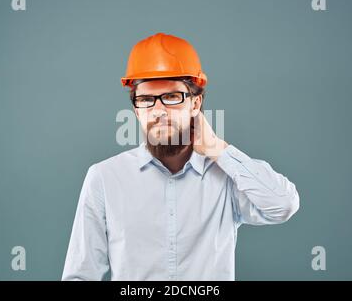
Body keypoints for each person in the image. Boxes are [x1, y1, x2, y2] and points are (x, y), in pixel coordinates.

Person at [62, 32, 300, 281]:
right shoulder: (104, 177)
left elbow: (282, 205)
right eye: (146, 99)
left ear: (195, 104)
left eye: (172, 97)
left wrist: (218, 148)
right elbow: (81, 275)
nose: (158, 111)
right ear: (135, 109)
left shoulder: (227, 175)